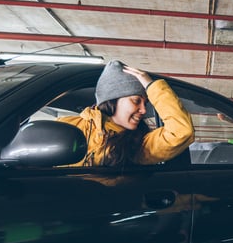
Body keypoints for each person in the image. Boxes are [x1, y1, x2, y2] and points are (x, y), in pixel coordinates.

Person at [59, 60, 194, 167]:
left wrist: (151, 86)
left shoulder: (138, 146)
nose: (144, 110)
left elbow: (181, 132)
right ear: (112, 101)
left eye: (145, 103)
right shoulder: (67, 126)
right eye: (136, 101)